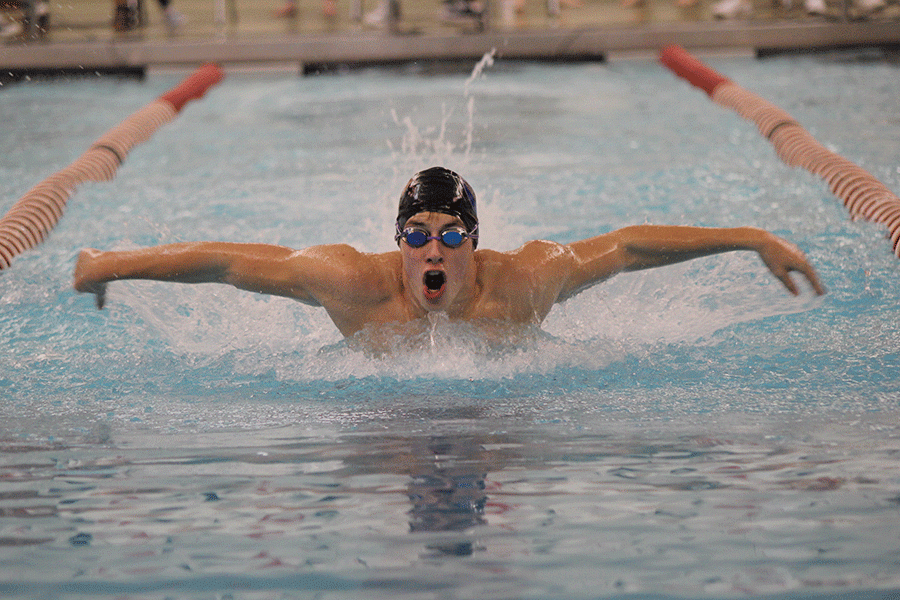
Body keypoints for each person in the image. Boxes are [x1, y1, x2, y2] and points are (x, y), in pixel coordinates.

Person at [73, 167, 825, 351]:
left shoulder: (525, 279)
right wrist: (109, 263)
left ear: (475, 240)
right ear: (398, 242)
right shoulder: (353, 284)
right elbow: (226, 262)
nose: (435, 249)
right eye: (419, 235)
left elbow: (627, 246)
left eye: (452, 235)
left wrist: (753, 237)